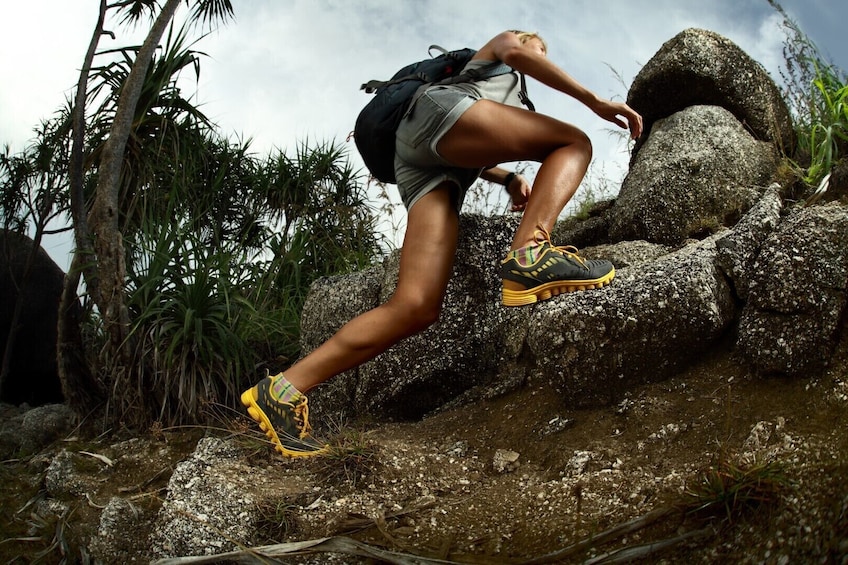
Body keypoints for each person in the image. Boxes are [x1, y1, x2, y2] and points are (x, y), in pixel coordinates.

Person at [241, 30, 643, 457]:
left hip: (421, 159)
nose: (538, 55)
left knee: (415, 306)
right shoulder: (506, 48)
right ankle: (531, 252)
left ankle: (282, 390)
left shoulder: (495, 94)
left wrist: (507, 178)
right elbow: (509, 57)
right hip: (435, 117)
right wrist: (593, 100)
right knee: (574, 142)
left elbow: (461, 137)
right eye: (540, 47)